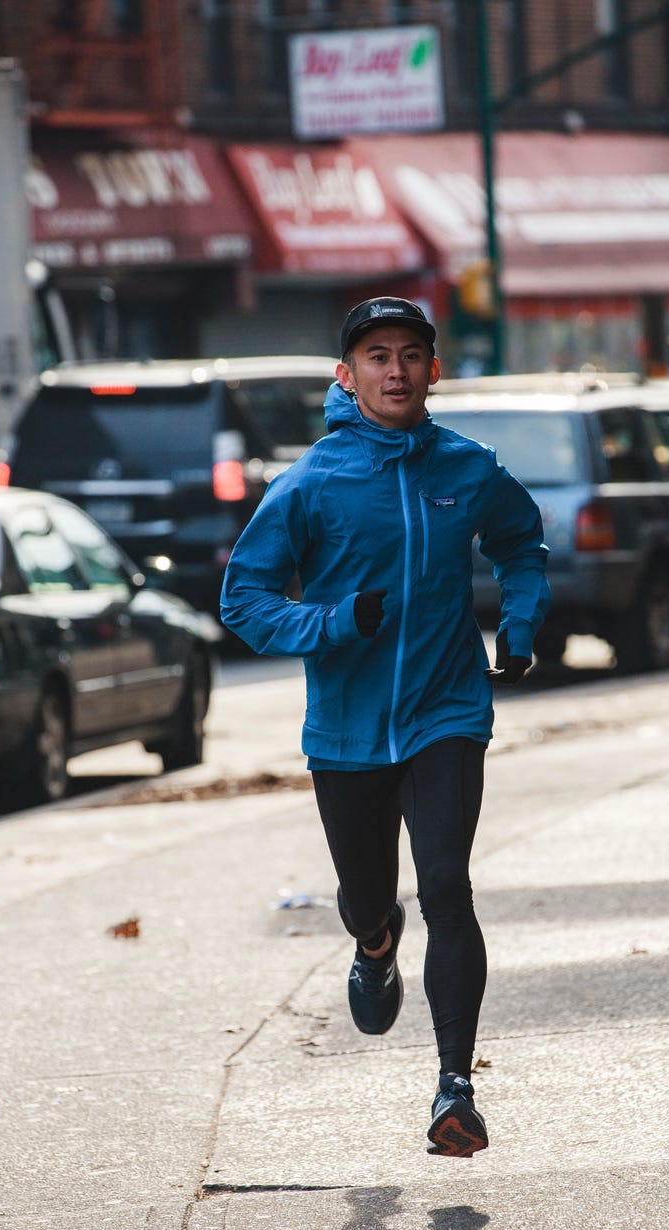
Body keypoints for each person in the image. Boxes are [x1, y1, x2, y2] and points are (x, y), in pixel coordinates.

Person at [220, 297, 550, 1157]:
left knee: (448, 885)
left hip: (447, 714)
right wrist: (332, 623)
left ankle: (455, 1089)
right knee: (371, 897)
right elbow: (244, 601)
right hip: (347, 732)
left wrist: (518, 624)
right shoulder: (312, 483)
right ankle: (374, 942)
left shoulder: (468, 468)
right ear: (347, 375)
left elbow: (521, 541)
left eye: (410, 353)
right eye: (376, 356)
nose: (395, 369)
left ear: (433, 370)